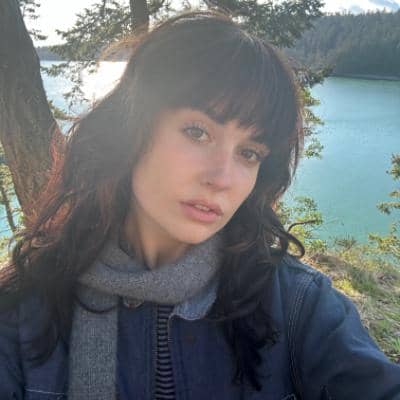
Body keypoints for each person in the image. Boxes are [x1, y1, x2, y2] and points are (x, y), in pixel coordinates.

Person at [0, 10, 399, 400]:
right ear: (132, 128)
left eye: (249, 153)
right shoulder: (22, 311)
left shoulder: (297, 305)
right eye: (197, 132)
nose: (222, 178)